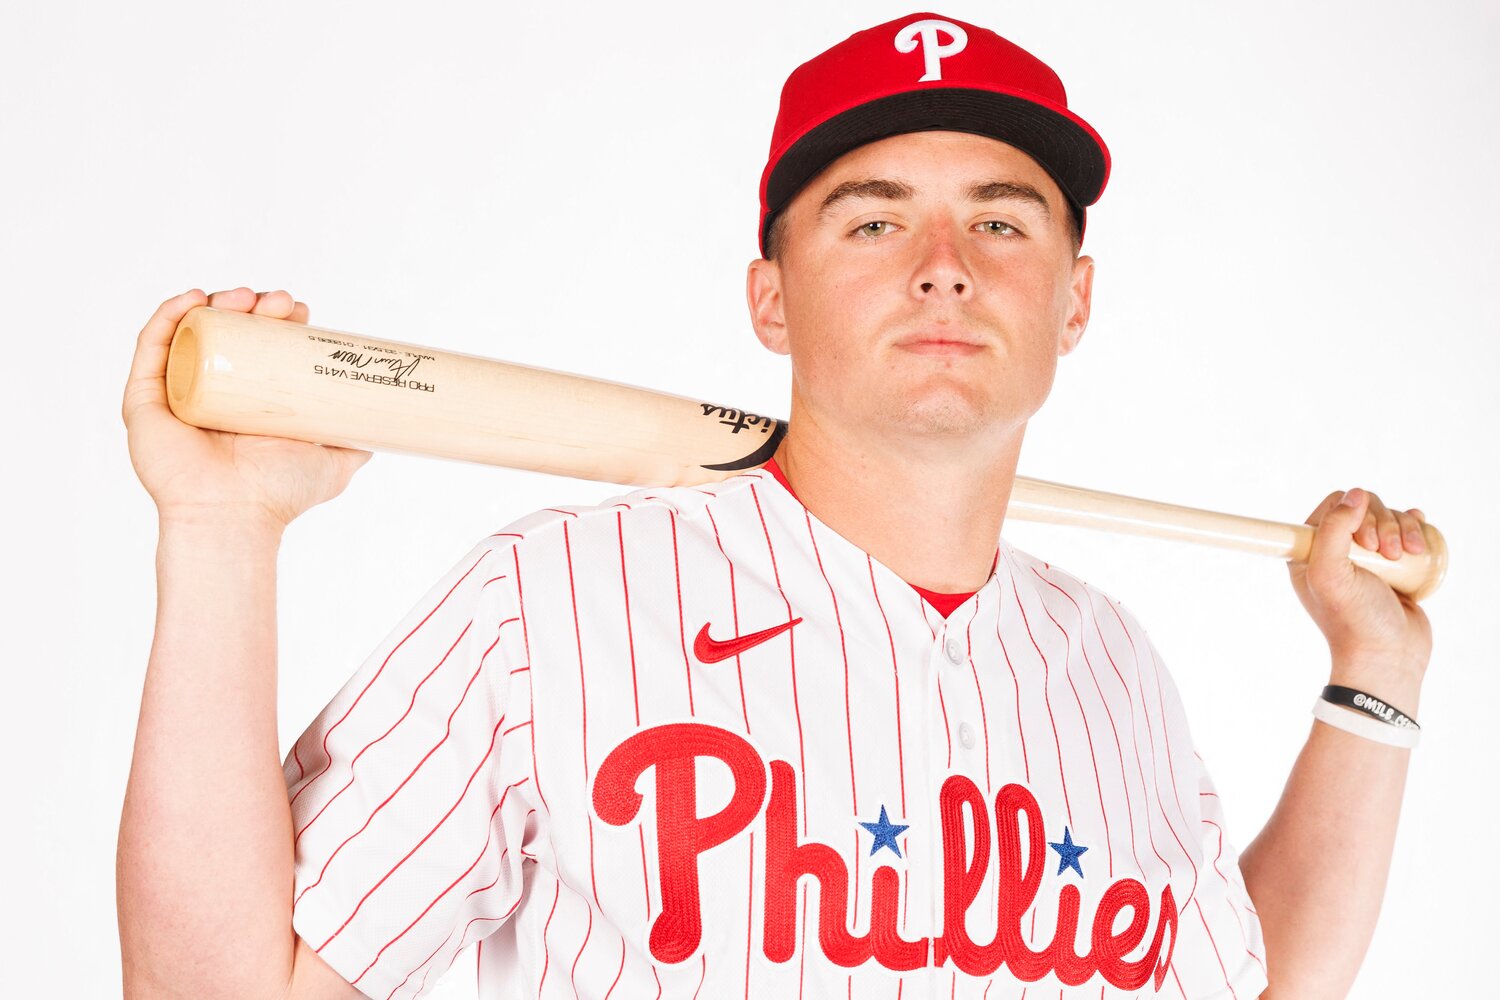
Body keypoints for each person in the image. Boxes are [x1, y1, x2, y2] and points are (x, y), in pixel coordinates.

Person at [117, 12, 1433, 999]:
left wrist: (1373, 677)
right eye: (872, 223)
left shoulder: (1111, 663)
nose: (944, 269)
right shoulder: (549, 606)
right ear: (770, 299)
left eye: (1001, 222)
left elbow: (1250, 983)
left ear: (1074, 299)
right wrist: (222, 532)